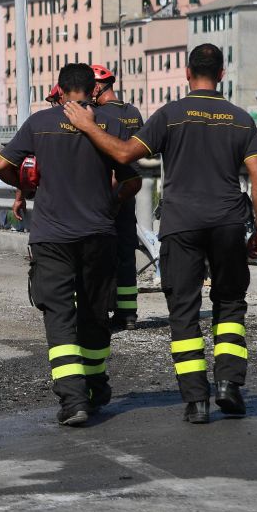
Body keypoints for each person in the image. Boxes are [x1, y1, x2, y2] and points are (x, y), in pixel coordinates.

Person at [63, 44, 257, 424]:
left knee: (184, 311)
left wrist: (90, 127)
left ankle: (196, 401)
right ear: (222, 74)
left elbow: (126, 154)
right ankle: (229, 386)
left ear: (187, 72)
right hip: (227, 224)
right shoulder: (241, 120)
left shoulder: (171, 115)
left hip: (181, 226)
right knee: (230, 305)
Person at [0, 64, 141, 427]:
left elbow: (0, 164)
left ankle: (74, 400)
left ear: (58, 90)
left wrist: (28, 188)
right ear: (93, 91)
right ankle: (96, 385)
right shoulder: (110, 124)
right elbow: (132, 180)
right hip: (98, 234)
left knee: (59, 316)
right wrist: (112, 202)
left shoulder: (39, 123)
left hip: (52, 237)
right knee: (94, 313)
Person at [90, 64, 145, 330]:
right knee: (126, 252)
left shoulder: (98, 116)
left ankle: (101, 310)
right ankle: (128, 313)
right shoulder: (133, 112)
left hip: (104, 192)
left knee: (99, 253)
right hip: (129, 189)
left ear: (98, 87)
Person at [12, 85, 64, 221]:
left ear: (61, 98)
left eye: (53, 101)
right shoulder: (94, 121)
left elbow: (25, 165)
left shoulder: (40, 124)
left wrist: (20, 196)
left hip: (51, 207)